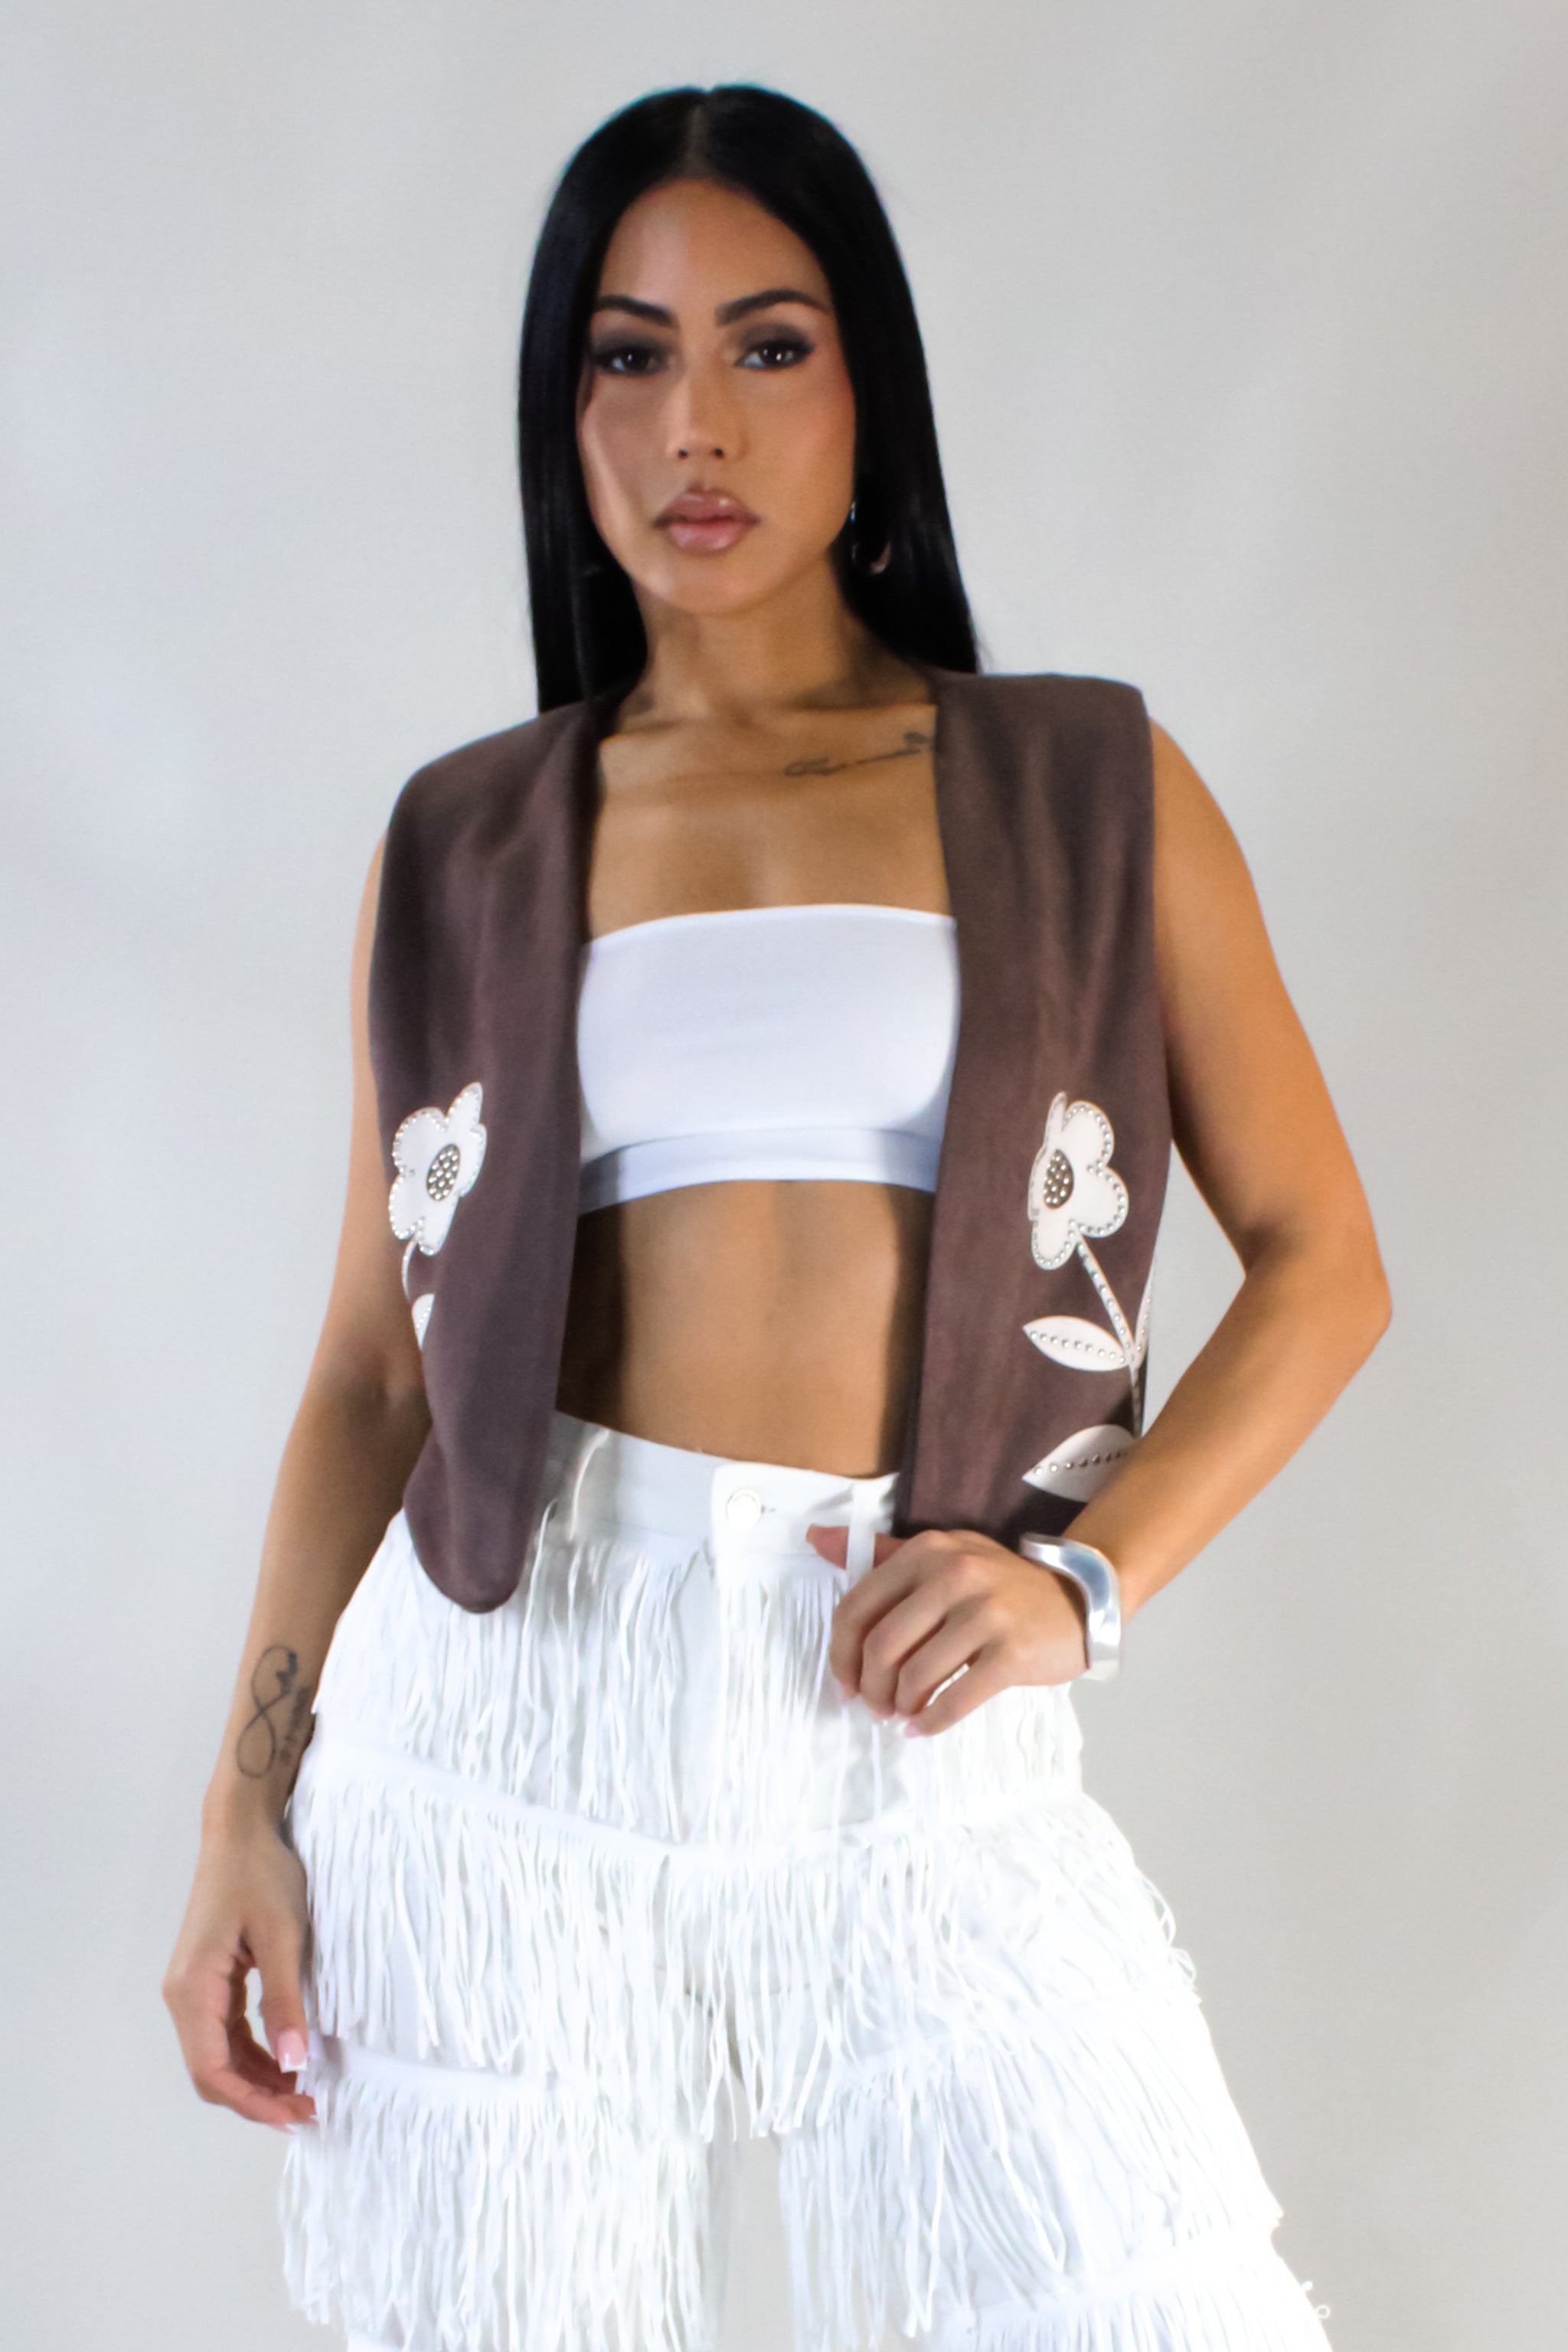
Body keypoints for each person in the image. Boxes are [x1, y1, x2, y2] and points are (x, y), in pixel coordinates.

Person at [164, 82, 1389, 2352]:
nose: (693, 424)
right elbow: (367, 1380)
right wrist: (247, 1813)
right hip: (498, 1739)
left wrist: (1084, 1585)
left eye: (769, 344)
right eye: (627, 356)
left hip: (903, 1720)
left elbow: (1325, 1258)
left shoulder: (1086, 787)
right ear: (565, 415)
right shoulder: (467, 843)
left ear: (867, 390)